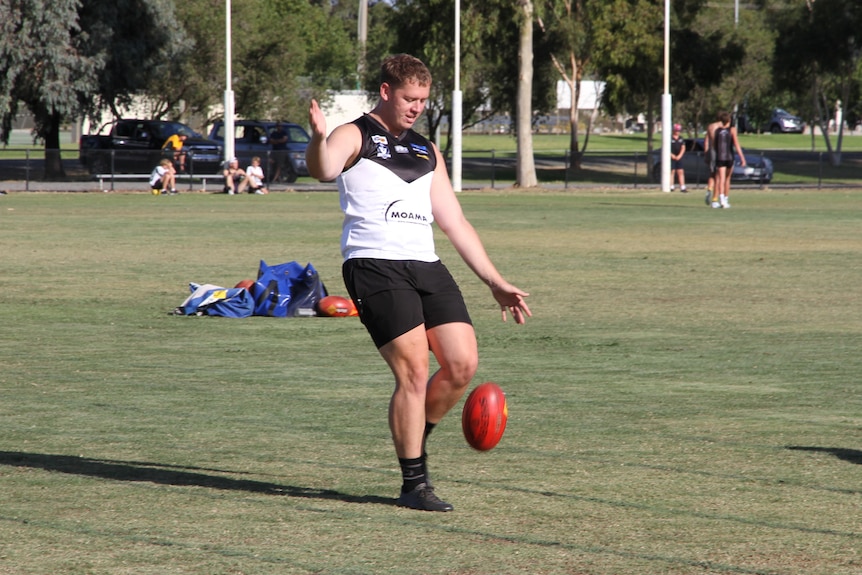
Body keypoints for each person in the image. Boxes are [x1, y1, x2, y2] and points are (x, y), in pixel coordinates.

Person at [306, 54, 531, 512]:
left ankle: (413, 433)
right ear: (386, 91)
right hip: (374, 264)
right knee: (412, 370)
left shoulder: (427, 149)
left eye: (423, 101)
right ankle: (414, 484)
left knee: (462, 364)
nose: (416, 108)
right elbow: (324, 169)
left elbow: (454, 220)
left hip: (425, 264)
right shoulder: (355, 133)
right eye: (410, 99)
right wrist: (316, 138)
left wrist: (494, 280)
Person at [704, 111, 745, 209]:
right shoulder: (731, 129)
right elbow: (736, 144)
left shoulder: (713, 128)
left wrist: (707, 155)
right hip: (727, 155)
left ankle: (712, 192)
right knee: (724, 178)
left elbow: (708, 143)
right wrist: (742, 158)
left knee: (715, 176)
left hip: (717, 154)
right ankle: (721, 199)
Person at [670, 124, 686, 193]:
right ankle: (671, 186)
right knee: (672, 171)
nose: (677, 132)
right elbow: (666, 147)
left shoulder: (681, 139)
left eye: (679, 130)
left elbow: (683, 147)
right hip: (672, 157)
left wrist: (679, 155)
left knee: (680, 171)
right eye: (676, 130)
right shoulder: (670, 138)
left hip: (679, 157)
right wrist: (671, 155)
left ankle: (682, 187)